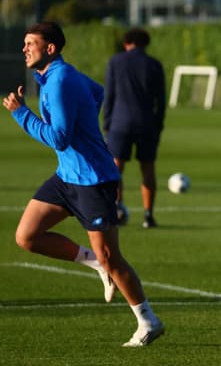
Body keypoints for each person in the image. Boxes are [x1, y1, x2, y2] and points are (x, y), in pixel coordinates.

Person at [3, 22, 164, 347]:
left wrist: (22, 114)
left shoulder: (60, 80)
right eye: (24, 43)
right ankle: (93, 262)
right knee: (27, 236)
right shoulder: (55, 77)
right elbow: (98, 93)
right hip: (67, 177)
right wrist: (85, 124)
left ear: (50, 48)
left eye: (30, 43)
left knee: (112, 257)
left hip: (93, 180)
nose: (24, 49)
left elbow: (59, 138)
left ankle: (148, 320)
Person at [103, 27, 166, 229]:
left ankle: (117, 209)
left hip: (119, 123)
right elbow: (161, 101)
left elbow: (109, 95)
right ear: (146, 44)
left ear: (126, 43)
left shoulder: (115, 62)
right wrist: (158, 124)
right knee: (148, 169)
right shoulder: (155, 65)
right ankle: (148, 215)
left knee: (115, 169)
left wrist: (107, 123)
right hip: (146, 123)